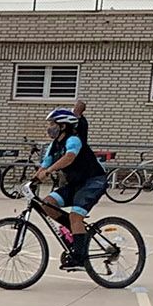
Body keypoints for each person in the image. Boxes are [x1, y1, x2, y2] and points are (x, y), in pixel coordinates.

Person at [33, 105, 106, 269]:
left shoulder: (74, 139)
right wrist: (34, 180)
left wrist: (50, 170)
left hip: (93, 182)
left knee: (75, 216)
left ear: (63, 126)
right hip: (75, 184)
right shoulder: (54, 145)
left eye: (53, 124)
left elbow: (69, 157)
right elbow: (45, 164)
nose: (50, 128)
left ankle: (80, 259)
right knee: (48, 204)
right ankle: (77, 234)